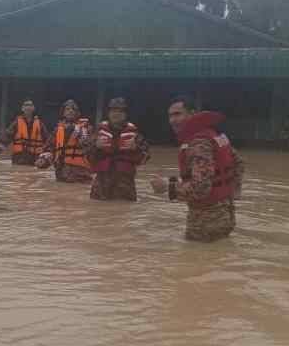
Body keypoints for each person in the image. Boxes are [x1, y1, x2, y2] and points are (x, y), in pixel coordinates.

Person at [150, 95, 244, 242]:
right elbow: (238, 163)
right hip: (225, 212)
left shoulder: (199, 143)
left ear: (192, 113)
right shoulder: (214, 135)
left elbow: (200, 188)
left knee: (195, 261)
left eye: (177, 114)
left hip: (206, 220)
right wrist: (233, 192)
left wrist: (167, 187)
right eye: (170, 116)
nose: (172, 120)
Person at [80, 97, 150, 201]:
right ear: (108, 113)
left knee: (123, 213)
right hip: (101, 185)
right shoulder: (98, 133)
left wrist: (136, 148)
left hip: (125, 186)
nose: (116, 114)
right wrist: (96, 146)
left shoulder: (135, 135)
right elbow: (85, 155)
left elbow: (146, 157)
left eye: (120, 111)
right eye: (113, 111)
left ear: (125, 114)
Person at [35, 99, 93, 183]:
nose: (70, 111)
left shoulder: (85, 128)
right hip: (61, 174)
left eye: (73, 109)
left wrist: (83, 140)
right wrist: (43, 159)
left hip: (81, 176)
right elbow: (49, 148)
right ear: (63, 113)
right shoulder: (57, 130)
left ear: (77, 113)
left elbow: (92, 148)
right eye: (67, 109)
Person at [0, 99, 48, 166]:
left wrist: (47, 157)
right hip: (19, 159)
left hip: (35, 160)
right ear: (22, 109)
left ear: (33, 108)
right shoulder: (16, 123)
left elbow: (47, 141)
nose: (28, 107)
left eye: (30, 105)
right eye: (26, 105)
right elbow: (5, 138)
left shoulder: (40, 124)